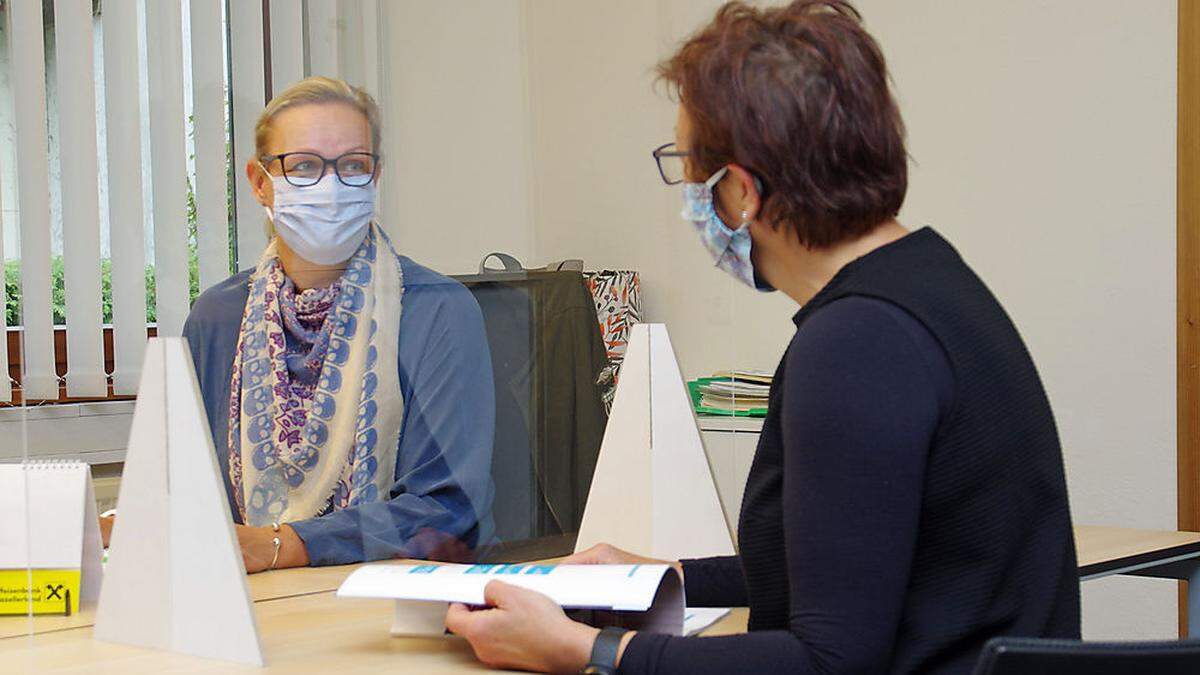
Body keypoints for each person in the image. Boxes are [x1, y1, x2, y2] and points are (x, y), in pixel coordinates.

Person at [444, 2, 1080, 673]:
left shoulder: (856, 345)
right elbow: (852, 567)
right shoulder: (931, 284)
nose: (689, 197)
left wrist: (583, 647)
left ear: (742, 191)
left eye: (688, 169)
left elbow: (829, 660)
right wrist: (662, 577)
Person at [166, 76, 494, 572]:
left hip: (387, 598)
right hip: (238, 601)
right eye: (303, 166)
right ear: (260, 183)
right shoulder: (216, 318)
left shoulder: (437, 309)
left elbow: (447, 509)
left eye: (353, 166)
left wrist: (283, 545)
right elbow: (186, 491)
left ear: (375, 177)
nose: (331, 186)